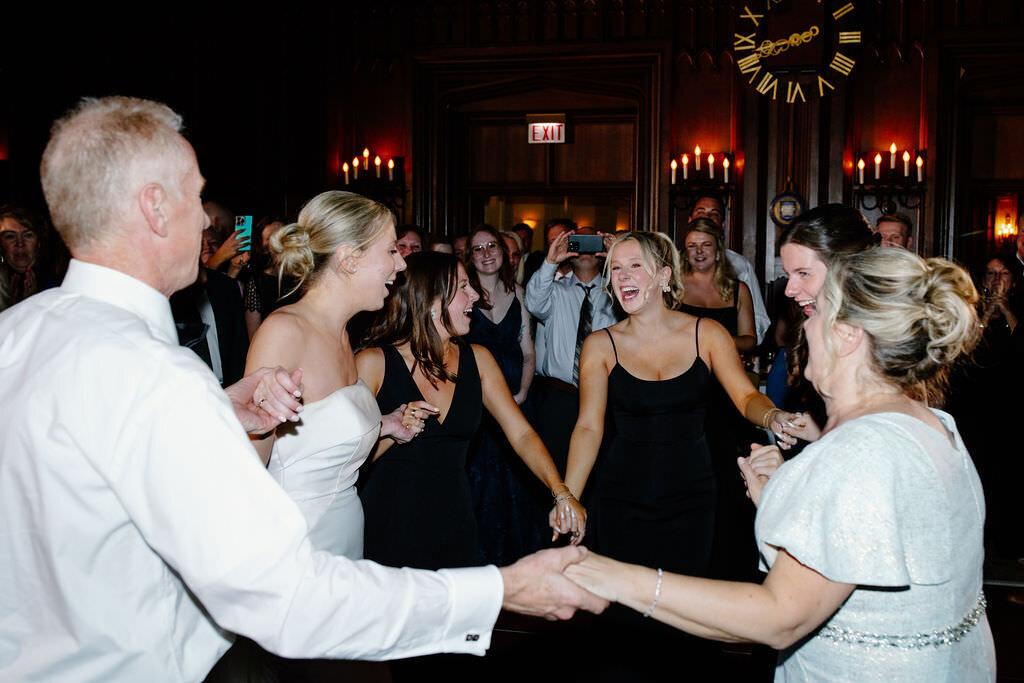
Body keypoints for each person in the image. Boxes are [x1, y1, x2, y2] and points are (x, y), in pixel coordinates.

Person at [0, 95, 605, 681]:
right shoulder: (155, 376)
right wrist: (499, 589)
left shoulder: (16, 334)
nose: (208, 219)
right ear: (155, 208)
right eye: (197, 195)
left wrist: (220, 414)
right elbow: (280, 594)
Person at [566, 247, 995, 682]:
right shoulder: (933, 424)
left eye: (815, 312)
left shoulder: (856, 453)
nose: (803, 324)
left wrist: (604, 576)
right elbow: (857, 536)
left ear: (847, 335)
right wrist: (776, 495)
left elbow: (779, 617)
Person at [562, 230, 797, 680]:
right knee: (623, 625)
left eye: (635, 265)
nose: (622, 276)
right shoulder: (601, 344)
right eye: (616, 268)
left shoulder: (706, 333)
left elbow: (746, 397)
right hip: (621, 500)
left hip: (692, 498)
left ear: (664, 275)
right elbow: (589, 427)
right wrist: (569, 497)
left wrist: (773, 418)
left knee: (687, 623)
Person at [357, 251, 584, 571]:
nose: (475, 295)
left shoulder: (478, 360)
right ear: (432, 301)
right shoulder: (373, 364)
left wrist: (561, 492)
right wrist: (390, 430)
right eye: (463, 286)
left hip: (455, 519)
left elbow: (520, 433)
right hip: (388, 521)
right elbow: (347, 460)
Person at [245, 191, 423, 559]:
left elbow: (321, 440)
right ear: (349, 259)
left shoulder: (344, 335)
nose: (401, 265)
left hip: (343, 536)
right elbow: (247, 468)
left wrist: (382, 424)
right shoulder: (285, 333)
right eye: (391, 251)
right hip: (298, 544)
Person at [678, 217, 760, 583]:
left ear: (718, 249)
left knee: (729, 478)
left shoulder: (737, 288)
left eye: (705, 245)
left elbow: (750, 339)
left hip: (727, 391)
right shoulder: (674, 288)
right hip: (685, 388)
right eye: (691, 245)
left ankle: (728, 564)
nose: (697, 252)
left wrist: (715, 341)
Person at [464, 224, 546, 565]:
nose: (486, 253)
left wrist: (523, 392)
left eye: (492, 246)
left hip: (516, 403)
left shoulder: (521, 293)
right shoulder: (462, 294)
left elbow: (527, 352)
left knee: (517, 480)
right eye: (478, 248)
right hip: (476, 406)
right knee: (478, 484)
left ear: (504, 251)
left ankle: (519, 560)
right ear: (469, 258)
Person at [774, 203, 876, 439]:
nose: (789, 290)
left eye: (803, 273)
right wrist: (821, 430)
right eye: (789, 274)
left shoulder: (871, 340)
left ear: (845, 268)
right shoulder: (823, 331)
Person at [524, 225, 618, 475]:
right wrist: (550, 261)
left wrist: (618, 261)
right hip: (560, 397)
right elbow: (533, 302)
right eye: (578, 241)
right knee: (557, 469)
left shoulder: (617, 294)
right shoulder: (555, 291)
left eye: (593, 241)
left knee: (603, 471)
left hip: (607, 397)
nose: (586, 249)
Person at [689, 195, 770, 344]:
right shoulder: (670, 270)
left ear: (723, 224)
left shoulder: (740, 267)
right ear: (690, 220)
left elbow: (758, 324)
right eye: (701, 213)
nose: (706, 217)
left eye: (714, 214)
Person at [0, 204, 61, 312]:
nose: (20, 243)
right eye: (10, 236)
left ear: (39, 242)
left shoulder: (57, 287)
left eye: (28, 235)